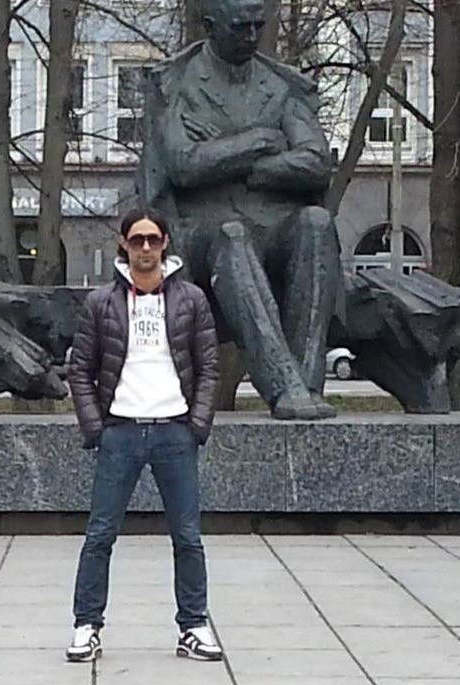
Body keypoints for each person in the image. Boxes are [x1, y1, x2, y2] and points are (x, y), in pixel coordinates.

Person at [140, 0, 345, 420]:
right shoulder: (178, 84)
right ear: (210, 26)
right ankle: (283, 385)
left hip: (271, 227)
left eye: (257, 26)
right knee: (232, 235)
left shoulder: (278, 85)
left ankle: (307, 385)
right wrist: (261, 140)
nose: (252, 37)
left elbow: (316, 161)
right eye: (240, 27)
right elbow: (183, 165)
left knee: (316, 222)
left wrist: (235, 160)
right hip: (202, 233)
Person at [66, 207, 221, 663]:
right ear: (124, 244)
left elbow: (209, 367)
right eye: (138, 240)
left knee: (188, 537)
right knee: (100, 535)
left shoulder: (191, 299)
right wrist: (96, 428)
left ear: (166, 243)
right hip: (121, 432)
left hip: (175, 431)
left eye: (154, 239)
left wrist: (197, 425)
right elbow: (80, 370)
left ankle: (193, 625)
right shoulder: (101, 303)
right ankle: (86, 626)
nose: (146, 248)